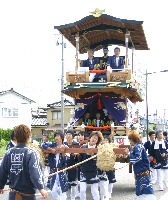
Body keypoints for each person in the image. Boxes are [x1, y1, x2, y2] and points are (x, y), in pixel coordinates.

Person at [0, 124, 47, 200]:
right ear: (29, 137)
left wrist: (1, 185)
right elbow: (35, 173)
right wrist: (41, 188)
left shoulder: (8, 152)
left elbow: (2, 171)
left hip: (13, 195)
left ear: (15, 137)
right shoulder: (32, 153)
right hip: (27, 195)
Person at [124, 130, 156, 200]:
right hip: (141, 173)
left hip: (143, 173)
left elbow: (137, 159)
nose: (129, 141)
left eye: (129, 139)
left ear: (132, 139)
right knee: (142, 193)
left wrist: (128, 154)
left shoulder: (138, 146)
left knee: (147, 193)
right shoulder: (138, 146)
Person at [41, 130, 68, 200]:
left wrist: (63, 153)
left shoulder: (65, 146)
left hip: (62, 170)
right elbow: (42, 145)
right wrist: (50, 149)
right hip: (53, 170)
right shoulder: (52, 145)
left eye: (58, 136)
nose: (56, 137)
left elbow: (66, 160)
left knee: (63, 190)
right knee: (53, 191)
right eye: (55, 136)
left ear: (61, 137)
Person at [79, 131, 104, 200]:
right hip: (84, 171)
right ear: (89, 138)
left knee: (95, 191)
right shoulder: (83, 147)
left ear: (97, 141)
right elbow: (79, 160)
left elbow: (99, 162)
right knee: (82, 190)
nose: (94, 139)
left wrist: (92, 155)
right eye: (93, 137)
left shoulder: (98, 149)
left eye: (96, 139)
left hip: (93, 171)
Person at [64, 130, 79, 200]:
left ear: (72, 136)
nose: (68, 136)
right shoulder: (63, 144)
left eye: (70, 134)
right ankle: (64, 197)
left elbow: (81, 154)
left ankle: (73, 198)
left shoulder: (76, 144)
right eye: (67, 134)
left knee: (73, 184)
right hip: (64, 167)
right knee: (64, 183)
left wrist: (77, 153)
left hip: (73, 166)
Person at [103, 135, 116, 199]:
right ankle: (105, 194)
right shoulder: (100, 147)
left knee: (111, 180)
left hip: (110, 166)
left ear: (109, 142)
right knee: (104, 181)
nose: (105, 142)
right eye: (104, 140)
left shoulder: (112, 147)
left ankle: (109, 193)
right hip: (102, 166)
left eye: (106, 140)